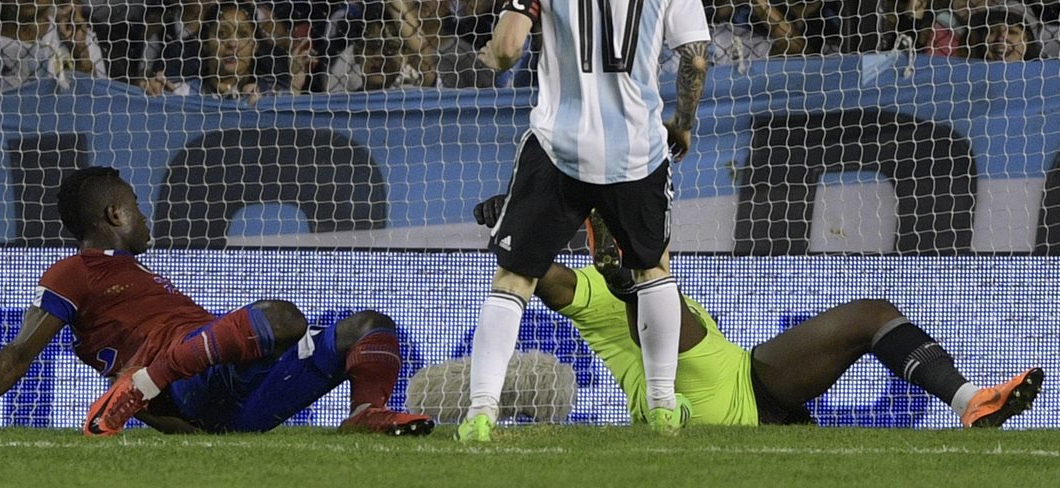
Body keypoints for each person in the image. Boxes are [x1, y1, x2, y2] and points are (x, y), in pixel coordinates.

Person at [459, 0, 711, 442]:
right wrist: (683, 123)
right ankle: (659, 405)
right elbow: (696, 59)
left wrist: (491, 55)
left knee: (514, 280)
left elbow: (511, 46)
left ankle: (480, 414)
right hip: (636, 150)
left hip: (559, 146)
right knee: (652, 269)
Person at [445, 197, 1045, 429]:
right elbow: (540, 278)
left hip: (756, 382)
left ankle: (972, 403)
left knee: (871, 313)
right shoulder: (595, 294)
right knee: (646, 306)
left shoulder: (657, 276)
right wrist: (515, 222)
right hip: (694, 411)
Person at [0, 166, 434, 437]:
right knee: (281, 316)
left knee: (370, 324)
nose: (145, 218)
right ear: (115, 214)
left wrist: (177, 426)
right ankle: (142, 387)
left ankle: (367, 412)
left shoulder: (138, 274)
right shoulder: (76, 270)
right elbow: (19, 353)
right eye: (137, 208)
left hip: (232, 402)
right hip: (191, 381)